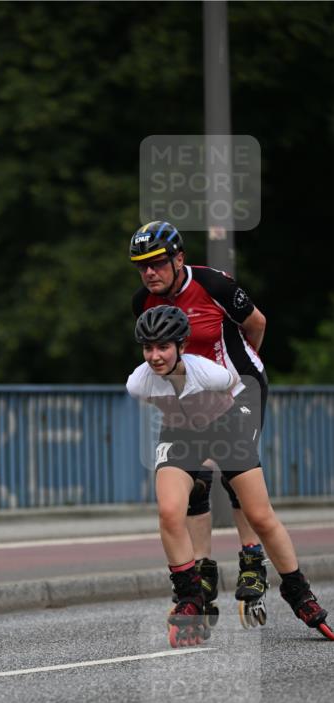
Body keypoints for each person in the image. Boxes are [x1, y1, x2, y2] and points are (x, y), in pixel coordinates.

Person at [126, 304, 333, 646]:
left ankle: (300, 595)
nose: (155, 356)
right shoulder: (138, 382)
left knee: (260, 516)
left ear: (181, 346)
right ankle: (190, 597)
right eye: (148, 348)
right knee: (168, 512)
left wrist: (220, 450)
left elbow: (240, 393)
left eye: (163, 346)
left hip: (227, 429)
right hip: (179, 435)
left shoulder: (210, 372)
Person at [129, 220, 269, 627]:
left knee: (233, 471)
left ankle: (251, 557)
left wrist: (243, 366)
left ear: (178, 259)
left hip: (240, 387)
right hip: (189, 396)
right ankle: (203, 571)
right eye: (142, 267)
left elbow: (256, 323)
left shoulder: (214, 285)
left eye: (157, 263)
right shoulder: (143, 302)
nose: (149, 273)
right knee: (193, 479)